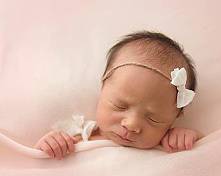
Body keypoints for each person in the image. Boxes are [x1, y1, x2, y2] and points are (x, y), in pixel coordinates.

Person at [35, 31, 200, 159]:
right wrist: (50, 145)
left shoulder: (168, 145)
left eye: (153, 119)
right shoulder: (79, 137)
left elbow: (210, 152)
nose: (131, 125)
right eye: (120, 106)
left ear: (173, 120)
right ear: (103, 88)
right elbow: (38, 164)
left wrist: (189, 138)